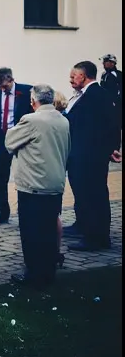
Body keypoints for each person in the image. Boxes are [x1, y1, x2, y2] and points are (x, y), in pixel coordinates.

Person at [4, 84, 71, 286]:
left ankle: (33, 274)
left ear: (33, 101)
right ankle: (48, 272)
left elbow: (9, 142)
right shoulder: (63, 119)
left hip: (33, 184)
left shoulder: (31, 120)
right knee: (49, 230)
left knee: (31, 233)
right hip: (55, 183)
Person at [64, 60, 118, 251]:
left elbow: (112, 122)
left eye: (73, 76)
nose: (70, 80)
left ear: (84, 75)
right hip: (79, 154)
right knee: (82, 194)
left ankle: (97, 238)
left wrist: (113, 148)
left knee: (94, 196)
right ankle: (83, 226)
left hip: (90, 157)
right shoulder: (82, 95)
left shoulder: (97, 94)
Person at [0, 67, 32, 225]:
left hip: (23, 139)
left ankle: (27, 212)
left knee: (27, 177)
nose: (1, 89)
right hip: (1, 140)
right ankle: (2, 213)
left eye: (4, 86)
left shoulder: (27, 91)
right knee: (1, 178)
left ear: (11, 79)